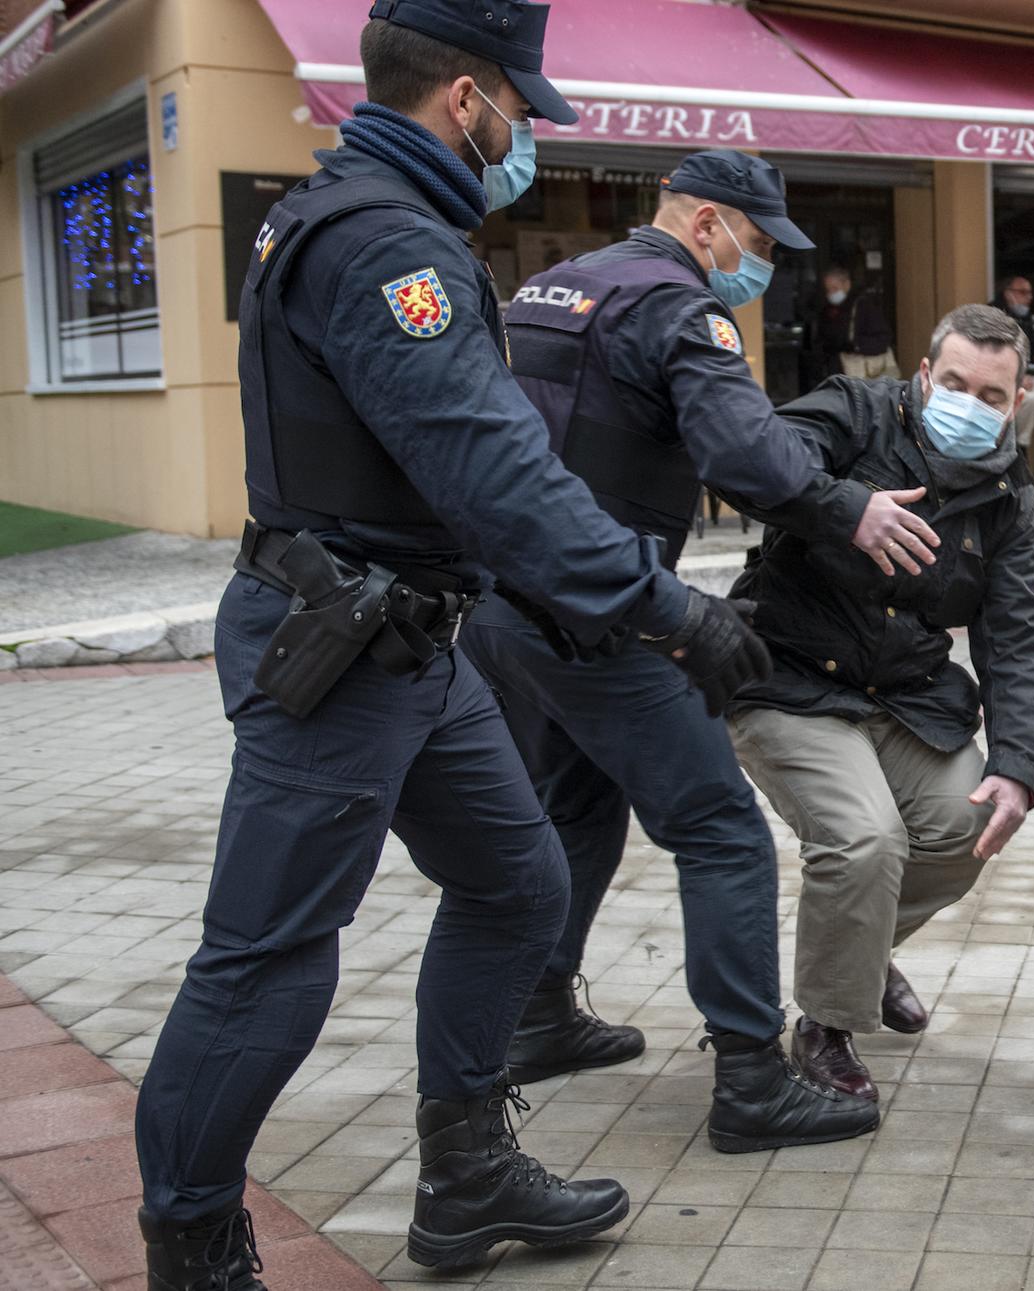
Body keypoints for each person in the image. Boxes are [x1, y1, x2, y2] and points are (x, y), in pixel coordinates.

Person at [131, 3, 779, 1284]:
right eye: (523, 110)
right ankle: (191, 1239)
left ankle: (467, 1174)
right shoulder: (382, 245)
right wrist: (668, 607)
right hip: (342, 646)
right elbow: (500, 477)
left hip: (418, 637)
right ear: (467, 98)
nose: (528, 134)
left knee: (517, 882)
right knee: (266, 960)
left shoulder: (365, 212)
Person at [459, 150, 919, 1154]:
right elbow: (747, 455)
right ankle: (752, 1078)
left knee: (577, 806)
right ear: (706, 225)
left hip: (500, 610)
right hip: (598, 610)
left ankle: (538, 1014)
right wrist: (850, 506)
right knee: (722, 830)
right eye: (755, 244)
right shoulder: (676, 306)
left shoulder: (556, 286)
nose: (758, 268)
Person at [726, 304, 1034, 1101]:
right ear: (921, 376)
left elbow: (1016, 632)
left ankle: (857, 956)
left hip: (905, 699)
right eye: (953, 383)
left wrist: (1018, 765)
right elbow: (752, 460)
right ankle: (827, 1024)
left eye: (989, 394)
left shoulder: (1008, 495)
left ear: (1016, 404)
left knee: (968, 820)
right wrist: (845, 507)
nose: (968, 403)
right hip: (791, 680)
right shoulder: (855, 409)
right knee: (865, 839)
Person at [993, 274, 1034, 447]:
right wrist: (1018, 378)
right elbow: (995, 354)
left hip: (1021, 374)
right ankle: (1016, 446)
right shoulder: (994, 315)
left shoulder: (1024, 315)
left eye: (1030, 293)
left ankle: (1015, 442)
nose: (1029, 298)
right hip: (1000, 375)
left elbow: (1033, 345)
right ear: (1008, 293)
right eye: (1023, 292)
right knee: (1027, 399)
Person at [815, 265, 899, 380]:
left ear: (847, 284)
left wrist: (856, 346)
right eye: (828, 290)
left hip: (861, 373)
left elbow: (883, 339)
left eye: (835, 288)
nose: (831, 294)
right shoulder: (827, 310)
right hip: (835, 373)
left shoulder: (864, 306)